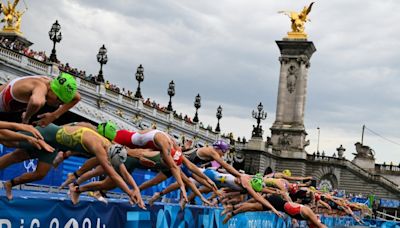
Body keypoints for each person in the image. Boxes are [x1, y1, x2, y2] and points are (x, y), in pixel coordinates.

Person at [0, 123, 139, 204]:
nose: (107, 162)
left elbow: (125, 163)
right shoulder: (98, 146)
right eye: (109, 160)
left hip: (53, 146)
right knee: (9, 146)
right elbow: (114, 175)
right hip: (46, 133)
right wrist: (129, 192)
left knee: (40, 174)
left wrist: (134, 190)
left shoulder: (110, 145)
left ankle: (9, 184)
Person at [0, 73, 80, 126]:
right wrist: (26, 118)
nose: (59, 105)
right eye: (60, 101)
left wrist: (53, 116)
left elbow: (77, 97)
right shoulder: (41, 87)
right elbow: (36, 102)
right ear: (55, 93)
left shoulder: (51, 83)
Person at [222, 194, 326, 227]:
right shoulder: (309, 214)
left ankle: (231, 210)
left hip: (279, 204)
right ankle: (231, 211)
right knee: (252, 206)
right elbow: (321, 226)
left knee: (252, 207)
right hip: (276, 202)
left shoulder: (307, 216)